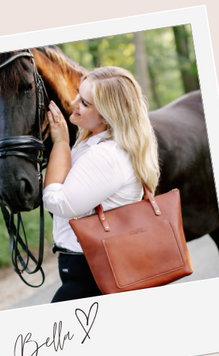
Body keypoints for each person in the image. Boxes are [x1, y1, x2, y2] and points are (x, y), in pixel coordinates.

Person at [43, 67, 159, 302]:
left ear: (107, 116)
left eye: (84, 103)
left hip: (90, 268)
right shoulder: (96, 145)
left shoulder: (107, 155)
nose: (74, 102)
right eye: (78, 93)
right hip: (92, 262)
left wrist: (60, 143)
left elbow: (58, 201)